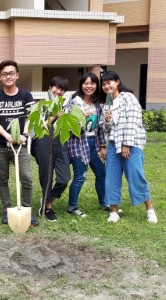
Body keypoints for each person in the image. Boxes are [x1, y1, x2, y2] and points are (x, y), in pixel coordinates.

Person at [0, 60, 39, 227]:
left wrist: (24, 134)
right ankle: (6, 209)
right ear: (0, 77)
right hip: (1, 145)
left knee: (27, 178)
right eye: (4, 74)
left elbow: (30, 118)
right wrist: (7, 135)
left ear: (17, 75)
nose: (8, 76)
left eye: (11, 73)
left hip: (20, 145)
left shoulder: (26, 95)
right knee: (2, 178)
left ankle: (27, 209)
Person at [100, 70, 157, 223]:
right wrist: (107, 120)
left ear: (117, 82)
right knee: (111, 178)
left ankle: (150, 209)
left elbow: (132, 121)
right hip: (113, 144)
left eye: (109, 82)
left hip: (131, 144)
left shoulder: (128, 97)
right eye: (104, 84)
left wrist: (127, 145)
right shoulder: (107, 103)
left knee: (136, 175)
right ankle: (113, 211)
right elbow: (105, 128)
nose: (106, 86)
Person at [66, 73, 107, 217]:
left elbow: (99, 127)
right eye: (86, 83)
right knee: (80, 176)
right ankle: (72, 207)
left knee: (102, 173)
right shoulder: (74, 102)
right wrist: (80, 118)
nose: (89, 86)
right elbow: (68, 126)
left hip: (93, 144)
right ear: (81, 85)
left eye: (92, 83)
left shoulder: (97, 104)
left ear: (97, 86)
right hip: (78, 143)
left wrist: (102, 146)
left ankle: (104, 202)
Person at [31, 76, 71, 222]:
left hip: (60, 143)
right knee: (46, 177)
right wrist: (53, 117)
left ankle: (48, 200)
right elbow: (37, 128)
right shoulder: (41, 105)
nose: (58, 91)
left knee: (64, 177)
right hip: (43, 142)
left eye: (62, 89)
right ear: (50, 87)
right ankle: (47, 207)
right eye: (56, 88)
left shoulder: (67, 106)